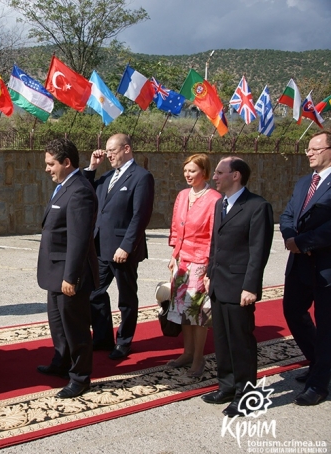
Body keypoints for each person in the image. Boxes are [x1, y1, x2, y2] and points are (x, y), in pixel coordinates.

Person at [202, 157, 273, 417]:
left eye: (220, 172)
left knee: (241, 342)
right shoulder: (221, 204)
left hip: (240, 285)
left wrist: (251, 287)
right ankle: (228, 386)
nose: (215, 177)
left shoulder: (257, 206)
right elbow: (215, 244)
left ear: (236, 176)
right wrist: (209, 272)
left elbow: (258, 252)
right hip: (219, 283)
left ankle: (247, 395)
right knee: (222, 339)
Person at [83, 133, 154, 360]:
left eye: (112, 151)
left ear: (126, 149)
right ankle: (103, 337)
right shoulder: (106, 177)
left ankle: (124, 342)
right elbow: (86, 192)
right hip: (101, 247)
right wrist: (92, 167)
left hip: (123, 250)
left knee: (126, 298)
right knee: (94, 292)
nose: (108, 155)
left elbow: (140, 216)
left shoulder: (141, 177)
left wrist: (127, 246)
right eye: (106, 150)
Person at [37, 138, 98, 399]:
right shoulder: (65, 185)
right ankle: (62, 361)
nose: (47, 169)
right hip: (55, 272)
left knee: (75, 327)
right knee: (58, 324)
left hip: (68, 274)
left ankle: (80, 377)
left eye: (51, 164)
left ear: (66, 162)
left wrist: (71, 277)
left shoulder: (80, 190)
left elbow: (79, 238)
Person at [280, 130, 331, 406]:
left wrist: (304, 241)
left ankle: (319, 383)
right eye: (307, 149)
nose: (309, 153)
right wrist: (290, 238)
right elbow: (288, 214)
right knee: (292, 311)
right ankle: (319, 362)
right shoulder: (303, 183)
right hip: (299, 264)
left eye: (315, 148)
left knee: (326, 326)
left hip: (325, 267)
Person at [167, 154, 222, 378]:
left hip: (201, 261)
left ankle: (199, 359)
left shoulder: (214, 198)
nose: (188, 175)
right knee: (182, 310)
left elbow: (213, 235)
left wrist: (209, 265)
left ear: (204, 172)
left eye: (193, 171)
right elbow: (175, 226)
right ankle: (187, 352)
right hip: (182, 261)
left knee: (197, 313)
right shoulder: (182, 195)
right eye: (186, 171)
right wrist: (174, 254)